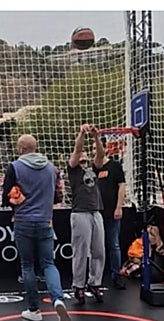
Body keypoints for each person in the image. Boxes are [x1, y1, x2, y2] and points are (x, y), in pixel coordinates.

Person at [2, 135, 70, 321]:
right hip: (45, 221)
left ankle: (34, 310)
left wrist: (16, 199)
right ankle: (58, 300)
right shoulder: (51, 168)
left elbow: (6, 195)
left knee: (28, 265)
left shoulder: (15, 167)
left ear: (22, 148)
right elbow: (58, 196)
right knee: (49, 263)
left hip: (23, 220)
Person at [67, 124, 107, 304]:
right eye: (81, 156)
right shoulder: (73, 169)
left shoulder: (94, 167)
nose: (84, 156)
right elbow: (77, 150)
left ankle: (95, 282)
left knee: (99, 250)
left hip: (95, 211)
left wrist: (96, 136)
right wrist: (82, 133)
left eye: (85, 155)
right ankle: (79, 285)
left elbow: (100, 155)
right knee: (81, 251)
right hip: (80, 212)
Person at [97, 139, 127, 288]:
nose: (95, 150)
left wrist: (119, 207)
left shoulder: (115, 166)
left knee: (113, 244)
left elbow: (122, 186)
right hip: (96, 213)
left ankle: (116, 275)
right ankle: (96, 277)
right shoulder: (94, 167)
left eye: (97, 148)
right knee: (97, 246)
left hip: (111, 212)